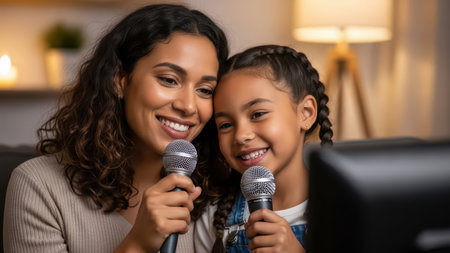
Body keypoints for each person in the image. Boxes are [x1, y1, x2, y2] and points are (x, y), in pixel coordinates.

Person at [3, 4, 228, 253]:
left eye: (205, 90)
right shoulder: (39, 186)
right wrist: (138, 243)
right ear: (119, 79)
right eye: (168, 80)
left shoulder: (218, 195)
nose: (188, 106)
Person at [192, 45, 333, 252]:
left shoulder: (347, 211)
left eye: (258, 114)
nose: (241, 135)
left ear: (305, 113)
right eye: (225, 125)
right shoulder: (214, 217)